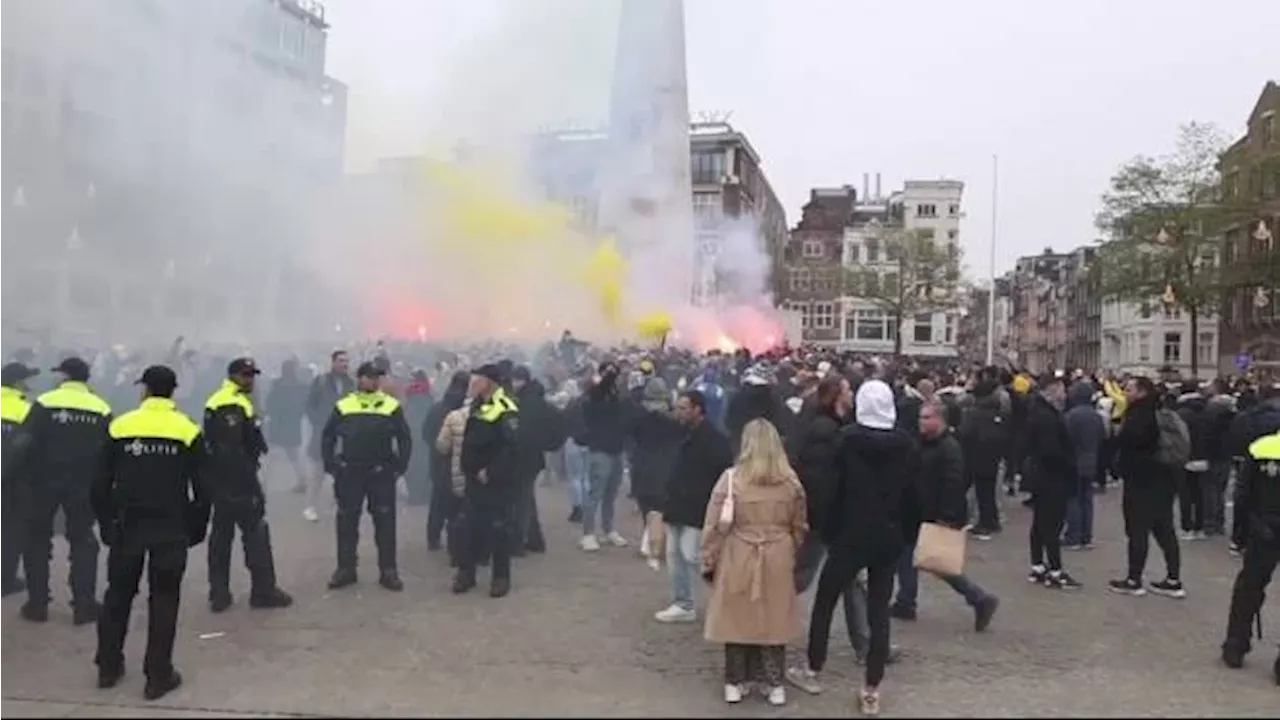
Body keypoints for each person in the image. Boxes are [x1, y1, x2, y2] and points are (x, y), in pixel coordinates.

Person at [92, 365, 209, 701]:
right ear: (173, 392)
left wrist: (106, 522)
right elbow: (204, 488)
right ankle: (158, 676)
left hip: (128, 525)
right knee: (164, 599)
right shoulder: (187, 430)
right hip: (170, 527)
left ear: (144, 390)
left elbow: (98, 484)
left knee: (117, 596)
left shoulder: (121, 427)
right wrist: (197, 527)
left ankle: (108, 667)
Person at [804, 379, 913, 717]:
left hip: (850, 536)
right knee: (879, 611)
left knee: (825, 601)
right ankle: (871, 687)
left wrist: (829, 529)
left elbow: (829, 492)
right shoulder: (907, 447)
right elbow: (914, 497)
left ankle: (813, 668)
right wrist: (903, 534)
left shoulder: (845, 443)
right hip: (887, 539)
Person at [700, 419, 807, 707]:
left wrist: (708, 559)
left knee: (737, 616)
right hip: (778, 553)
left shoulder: (731, 479)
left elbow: (713, 525)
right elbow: (799, 525)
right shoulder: (790, 482)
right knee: (773, 618)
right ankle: (773, 682)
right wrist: (789, 549)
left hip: (739, 551)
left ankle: (735, 680)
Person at [892, 400, 1002, 624]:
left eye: (926, 417)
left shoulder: (949, 448)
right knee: (907, 556)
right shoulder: (921, 443)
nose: (920, 422)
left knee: (937, 562)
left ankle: (978, 597)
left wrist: (947, 516)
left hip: (934, 514)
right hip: (915, 511)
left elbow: (954, 484)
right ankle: (906, 601)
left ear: (939, 420)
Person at [21, 356, 112, 625]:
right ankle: (83, 605)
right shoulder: (101, 408)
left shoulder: (45, 403)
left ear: (64, 376)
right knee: (83, 541)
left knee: (36, 540)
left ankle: (37, 604)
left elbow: (24, 442)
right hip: (83, 484)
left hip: (43, 481)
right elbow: (110, 452)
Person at [204, 358, 293, 613]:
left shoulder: (237, 399)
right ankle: (260, 592)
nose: (250, 379)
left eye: (253, 374)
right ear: (232, 375)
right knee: (252, 534)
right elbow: (230, 450)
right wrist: (248, 486)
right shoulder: (228, 402)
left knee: (224, 536)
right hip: (235, 481)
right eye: (245, 375)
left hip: (226, 480)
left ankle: (221, 593)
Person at [321, 361, 413, 592]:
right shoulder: (344, 405)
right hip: (350, 472)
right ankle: (346, 569)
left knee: (385, 523)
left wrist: (400, 466)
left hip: (380, 472)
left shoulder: (390, 406)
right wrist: (331, 465)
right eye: (370, 377)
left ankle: (388, 571)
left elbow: (404, 438)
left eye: (377, 377)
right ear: (359, 379)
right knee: (346, 522)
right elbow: (328, 436)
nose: (374, 381)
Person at [654, 390, 732, 623]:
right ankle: (683, 603)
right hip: (677, 504)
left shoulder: (714, 439)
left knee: (695, 557)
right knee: (675, 555)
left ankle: (728, 600)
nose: (679, 412)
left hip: (698, 507)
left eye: (684, 408)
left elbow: (723, 473)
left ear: (698, 409)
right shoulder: (681, 433)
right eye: (678, 407)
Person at [1220, 389, 1280, 683]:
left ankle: (1236, 644)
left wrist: (1240, 533)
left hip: (1263, 527)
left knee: (1249, 587)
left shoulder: (1262, 447)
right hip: (1265, 525)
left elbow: (1242, 495)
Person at [1110, 376, 1185, 598]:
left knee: (1137, 530)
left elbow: (1132, 445)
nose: (1125, 391)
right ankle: (1174, 579)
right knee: (1165, 529)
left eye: (1130, 388)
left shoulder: (1139, 414)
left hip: (1142, 481)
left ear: (1141, 392)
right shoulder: (1161, 410)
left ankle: (1134, 579)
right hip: (1165, 480)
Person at [452, 364, 519, 597]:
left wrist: (491, 470)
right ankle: (465, 573)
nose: (472, 384)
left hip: (494, 481)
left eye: (477, 380)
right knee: (467, 526)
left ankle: (500, 578)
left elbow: (510, 447)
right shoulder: (475, 406)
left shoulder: (505, 408)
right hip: (472, 478)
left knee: (498, 528)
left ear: (490, 382)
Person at [1022, 374, 1083, 590]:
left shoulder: (1038, 412)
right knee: (1052, 524)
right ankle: (1055, 571)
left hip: (1041, 475)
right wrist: (1068, 463)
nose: (1064, 395)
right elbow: (1050, 450)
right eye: (1061, 390)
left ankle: (1038, 565)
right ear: (1052, 390)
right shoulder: (1047, 417)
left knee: (1040, 523)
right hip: (1051, 477)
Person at [577, 362, 630, 551]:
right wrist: (608, 375)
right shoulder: (594, 394)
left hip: (617, 449)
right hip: (599, 449)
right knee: (596, 493)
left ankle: (608, 529)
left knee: (611, 493)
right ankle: (588, 533)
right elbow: (598, 393)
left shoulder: (618, 394)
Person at [0, 361, 38, 597]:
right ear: (17, 382)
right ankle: (5, 580)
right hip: (13, 479)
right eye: (27, 379)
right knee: (10, 529)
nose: (29, 384)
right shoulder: (28, 410)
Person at [304, 351, 354, 524]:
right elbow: (310, 405)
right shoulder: (321, 381)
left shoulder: (351, 384)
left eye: (347, 361)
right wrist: (317, 421)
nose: (344, 364)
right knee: (317, 472)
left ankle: (335, 505)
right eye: (341, 361)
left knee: (341, 473)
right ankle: (310, 506)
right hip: (323, 433)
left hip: (343, 434)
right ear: (333, 362)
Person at [423, 371, 470, 553]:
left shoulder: (437, 408)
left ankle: (433, 537)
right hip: (457, 461)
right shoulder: (463, 412)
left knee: (437, 501)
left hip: (437, 460)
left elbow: (426, 433)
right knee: (457, 504)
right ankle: (456, 543)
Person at [958, 376, 1008, 539]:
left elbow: (965, 433)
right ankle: (990, 522)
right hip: (991, 457)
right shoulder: (997, 412)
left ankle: (978, 522)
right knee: (987, 491)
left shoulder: (973, 413)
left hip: (974, 457)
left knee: (967, 490)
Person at [1063, 379, 1107, 550]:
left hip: (1074, 461)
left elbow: (1066, 439)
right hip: (1092, 460)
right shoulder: (1096, 416)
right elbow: (1104, 437)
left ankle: (1073, 535)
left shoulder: (1071, 416)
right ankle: (1086, 536)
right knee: (1087, 500)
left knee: (1073, 499)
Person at [265, 359, 309, 502]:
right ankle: (302, 481)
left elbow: (270, 401)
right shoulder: (301, 386)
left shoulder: (278, 384)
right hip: (291, 423)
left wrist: (271, 414)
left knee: (272, 454)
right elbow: (304, 404)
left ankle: (265, 484)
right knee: (292, 454)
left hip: (279, 422)